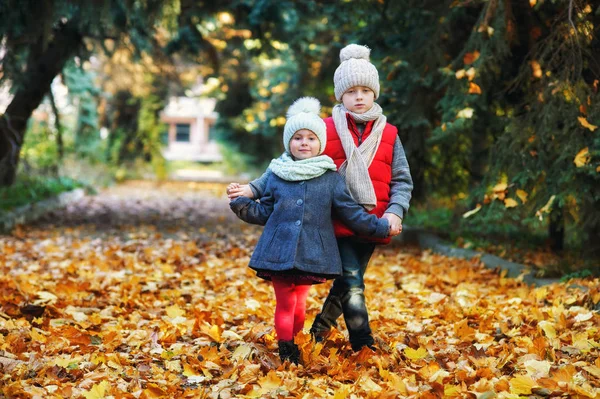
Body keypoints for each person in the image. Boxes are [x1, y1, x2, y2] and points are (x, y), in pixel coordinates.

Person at [228, 44, 413, 352]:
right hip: (329, 218)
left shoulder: (390, 134)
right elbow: (286, 164)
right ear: (340, 94)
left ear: (374, 93)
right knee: (352, 280)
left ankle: (319, 330)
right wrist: (252, 189)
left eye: (365, 90)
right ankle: (363, 343)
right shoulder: (323, 129)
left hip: (373, 219)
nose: (358, 96)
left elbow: (402, 180)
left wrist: (395, 212)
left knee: (346, 282)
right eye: (351, 90)